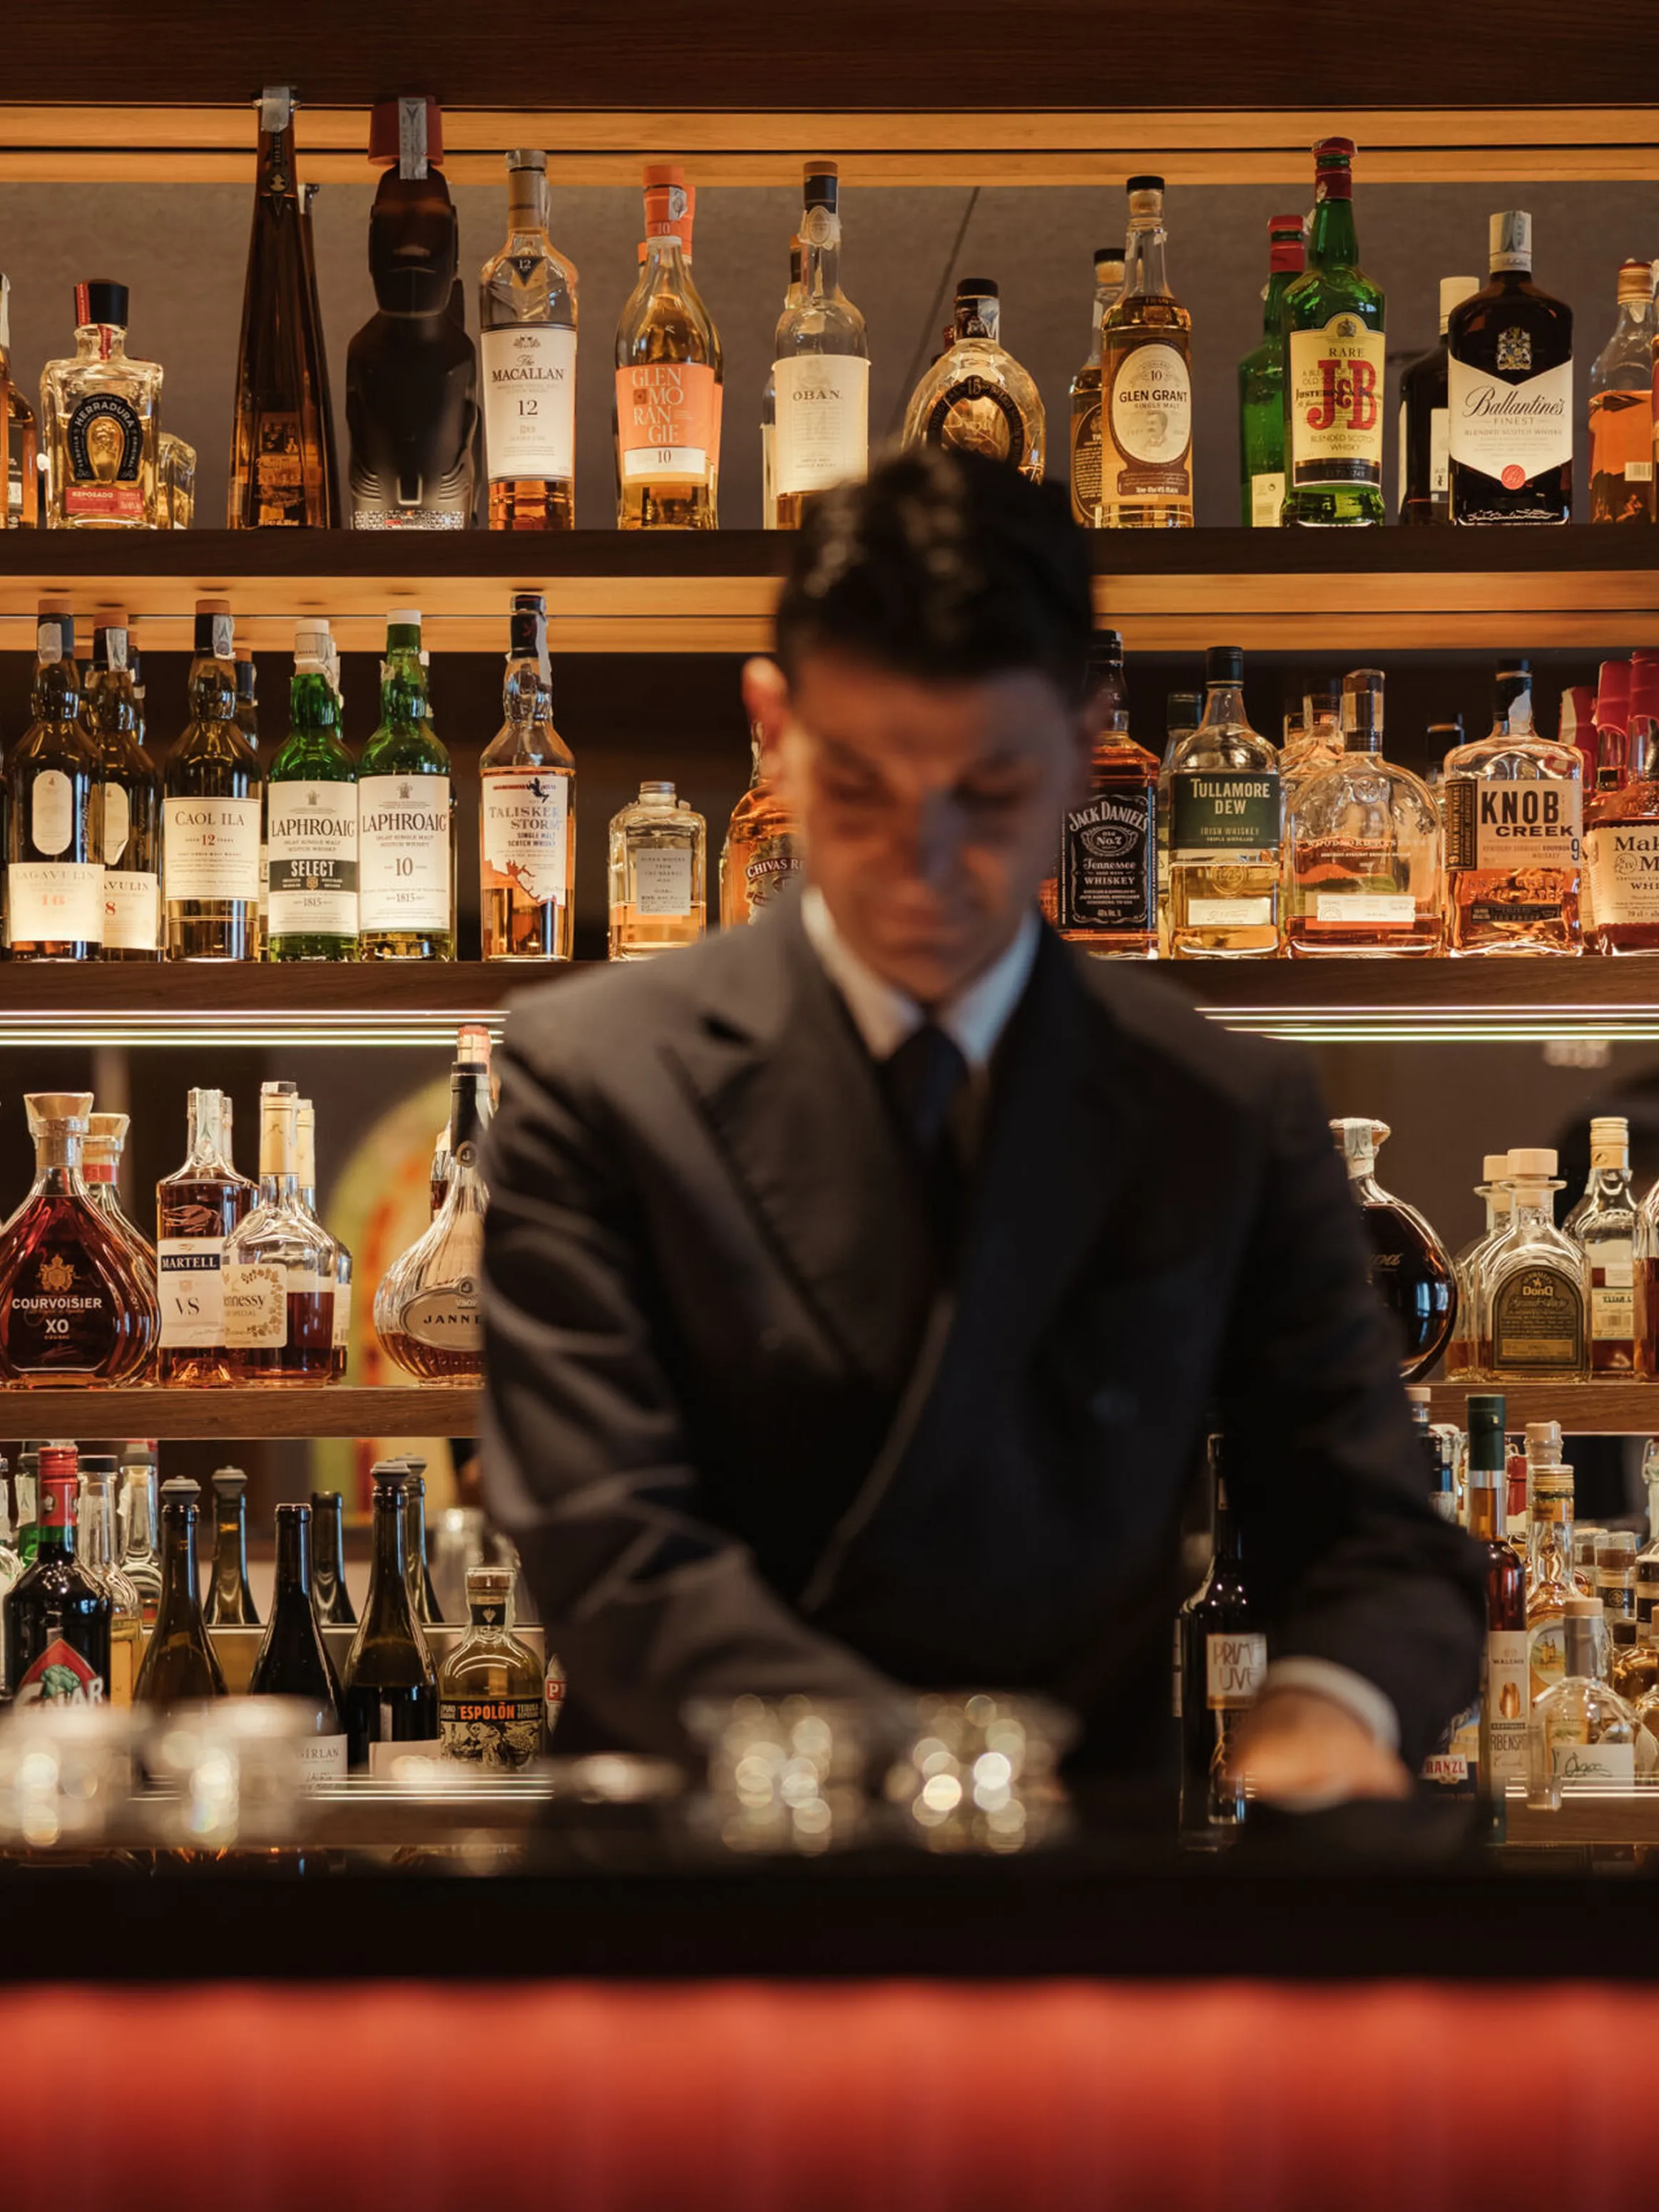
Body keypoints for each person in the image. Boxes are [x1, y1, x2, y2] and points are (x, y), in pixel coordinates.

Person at [481, 447, 1483, 1805]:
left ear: (1084, 743)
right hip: (697, 1892)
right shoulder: (593, 1076)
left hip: (1074, 1919)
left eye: (990, 793)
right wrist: (955, 1781)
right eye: (860, 790)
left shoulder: (1221, 1109)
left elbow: (1373, 1537)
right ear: (771, 727)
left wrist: (1332, 1697)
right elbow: (609, 1548)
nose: (927, 858)